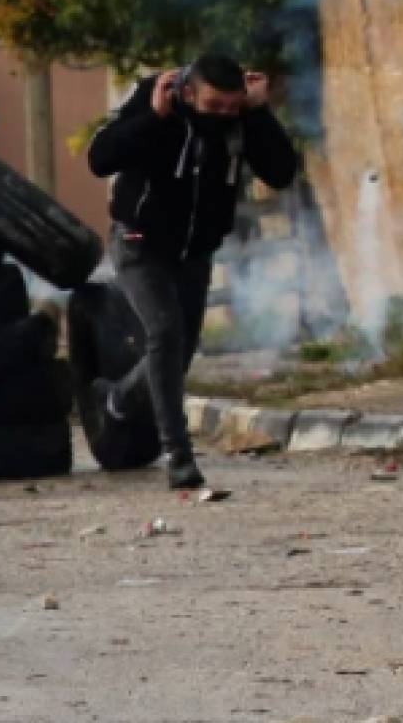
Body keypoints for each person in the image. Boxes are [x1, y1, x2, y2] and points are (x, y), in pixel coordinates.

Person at [86, 52, 298, 489]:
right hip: (139, 243)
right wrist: (154, 117)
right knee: (165, 333)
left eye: (231, 107)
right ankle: (179, 456)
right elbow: (100, 158)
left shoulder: (242, 119)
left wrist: (259, 113)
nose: (221, 116)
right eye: (212, 106)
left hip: (194, 253)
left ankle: (116, 399)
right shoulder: (155, 97)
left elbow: (281, 172)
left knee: (176, 355)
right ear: (188, 93)